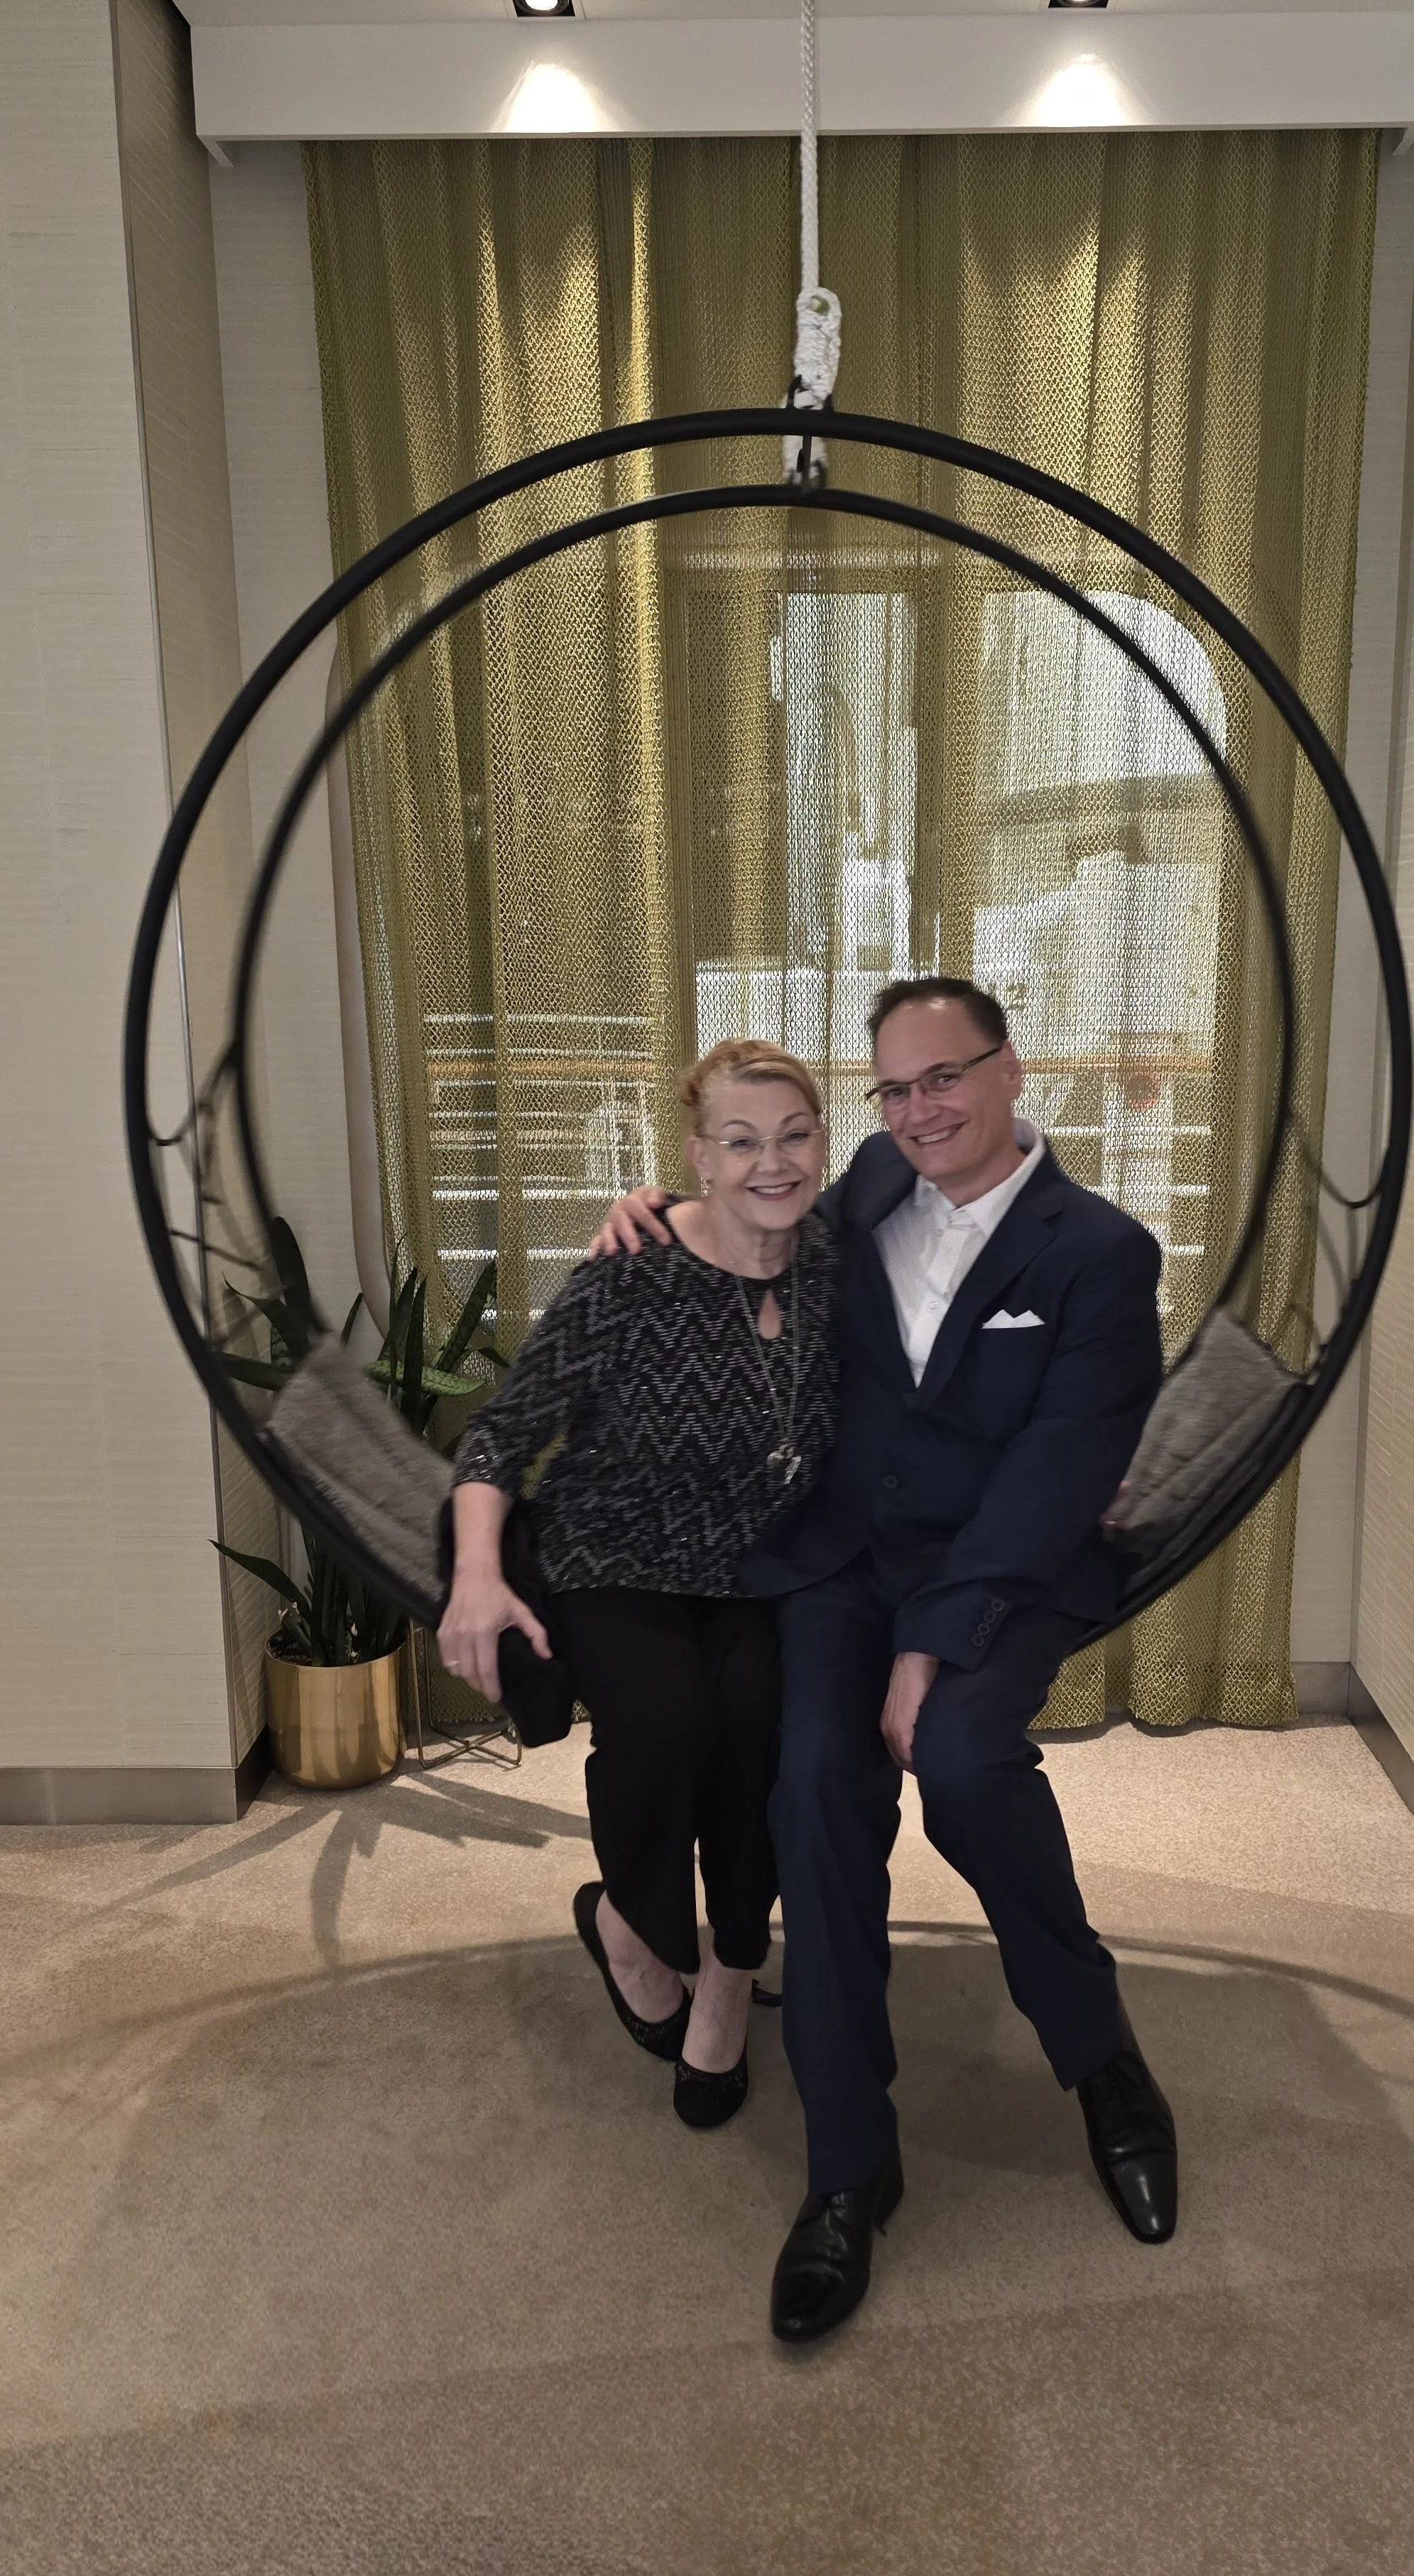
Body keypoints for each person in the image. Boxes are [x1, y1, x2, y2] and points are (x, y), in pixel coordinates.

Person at [597, 977, 1175, 2339]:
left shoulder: (1099, 1254)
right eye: (895, 1088)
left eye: (945, 1079)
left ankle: (1102, 2064)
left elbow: (1054, 1477)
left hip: (1000, 1570)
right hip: (846, 1561)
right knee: (813, 1791)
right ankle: (850, 2168)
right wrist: (646, 1215)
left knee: (966, 1762)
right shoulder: (861, 1182)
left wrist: (928, 1656)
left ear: (1014, 1071)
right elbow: (745, 1194)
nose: (919, 1112)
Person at [439, 1038, 835, 2131]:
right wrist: (477, 1575)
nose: (773, 1162)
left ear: (823, 1143)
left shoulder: (843, 1256)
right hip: (614, 1552)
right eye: (742, 1141)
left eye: (795, 1135)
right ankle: (632, 1924)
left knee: (763, 1724)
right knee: (664, 1723)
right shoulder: (633, 1267)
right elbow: (501, 1435)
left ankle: (729, 1972)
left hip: (763, 1567)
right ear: (700, 1158)